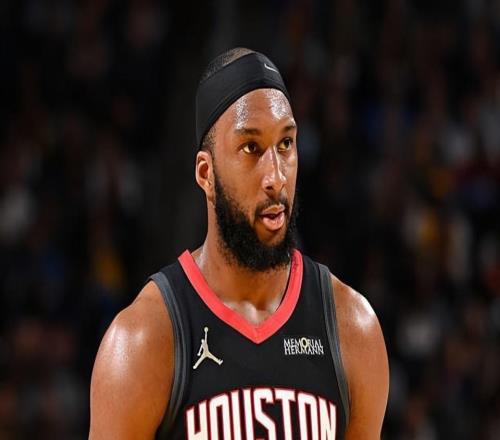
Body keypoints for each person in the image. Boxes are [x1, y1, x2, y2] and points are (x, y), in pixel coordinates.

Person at [89, 47, 389, 439]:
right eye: (251, 148)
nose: (276, 177)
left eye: (286, 144)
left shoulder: (353, 329)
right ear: (206, 173)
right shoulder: (144, 341)